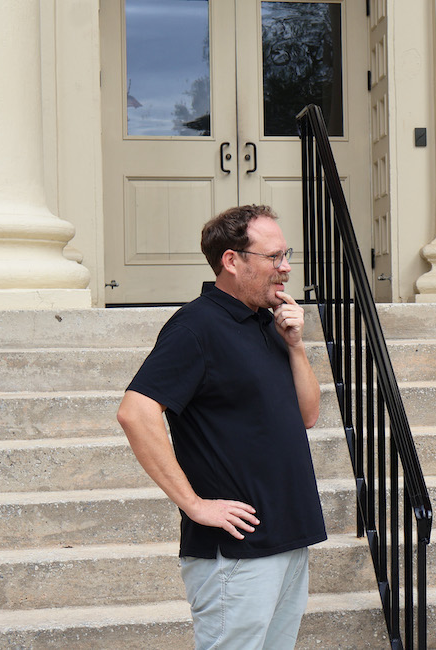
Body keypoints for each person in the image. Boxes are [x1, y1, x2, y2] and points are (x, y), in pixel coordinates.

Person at [116, 205, 326, 649]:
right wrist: (194, 504)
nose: (286, 267)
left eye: (286, 254)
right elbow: (136, 412)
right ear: (232, 261)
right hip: (236, 551)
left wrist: (295, 346)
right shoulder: (196, 326)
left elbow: (307, 415)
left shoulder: (266, 321)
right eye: (273, 257)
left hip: (287, 536)